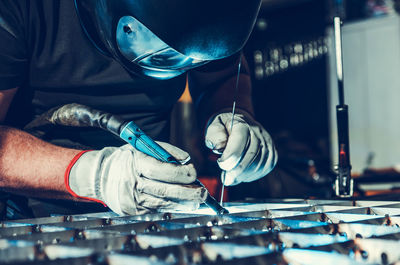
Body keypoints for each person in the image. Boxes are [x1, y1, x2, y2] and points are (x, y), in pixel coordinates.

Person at [0, 0, 277, 217]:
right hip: (29, 212)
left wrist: (236, 117)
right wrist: (95, 175)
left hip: (150, 213)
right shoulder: (22, 7)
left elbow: (221, 75)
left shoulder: (211, 11)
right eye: (166, 52)